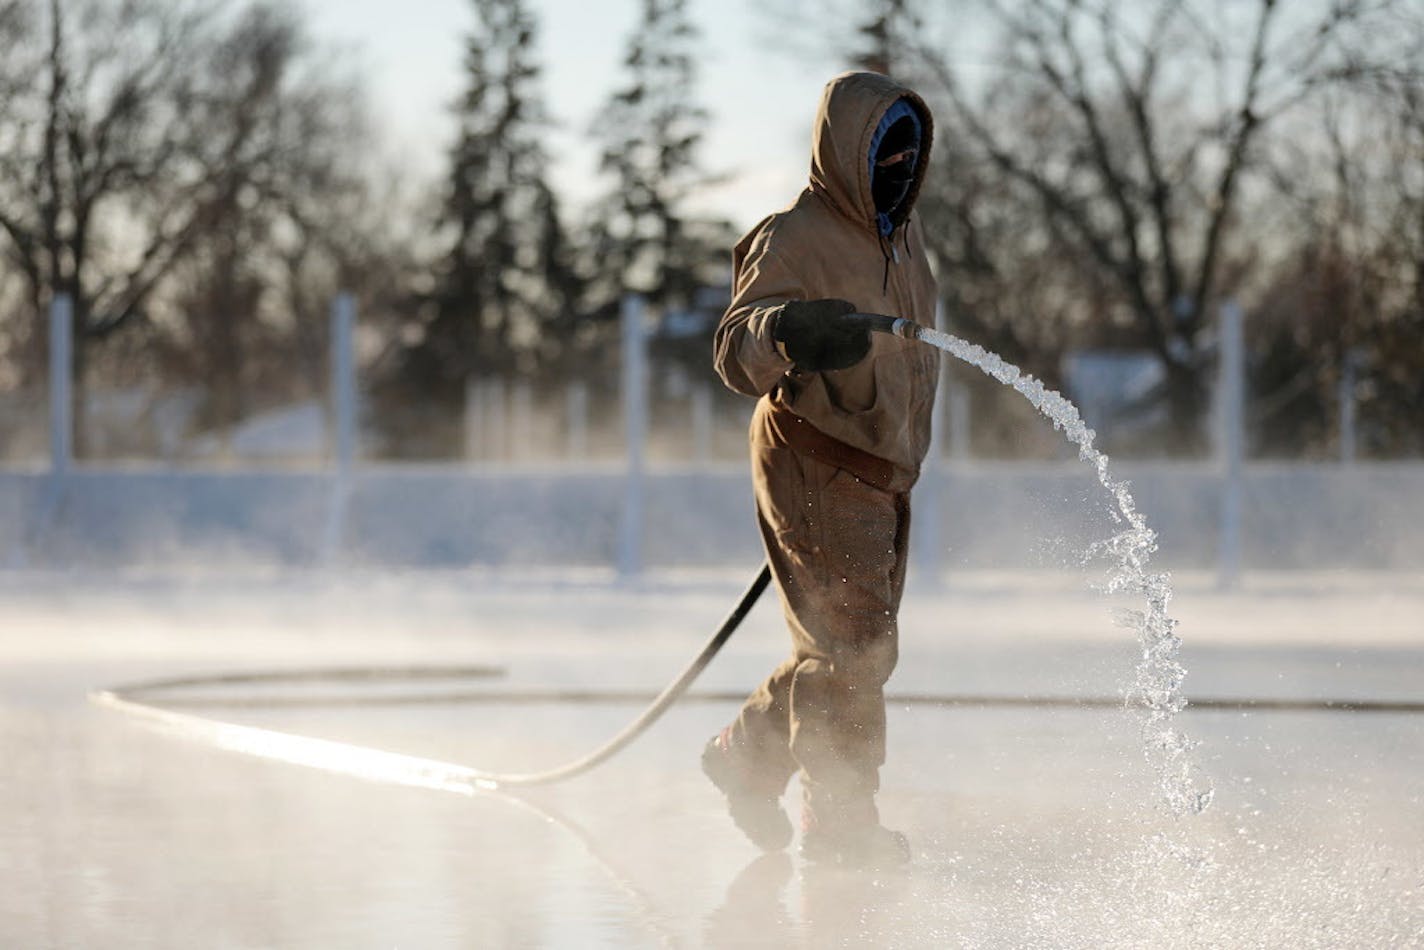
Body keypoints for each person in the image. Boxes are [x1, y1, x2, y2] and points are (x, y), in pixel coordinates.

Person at [704, 70, 938, 867]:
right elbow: (735, 349)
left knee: (846, 646)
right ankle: (839, 820)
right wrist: (789, 330)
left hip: (880, 470)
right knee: (854, 648)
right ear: (845, 150)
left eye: (911, 148)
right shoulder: (793, 235)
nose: (900, 164)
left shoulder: (903, 244)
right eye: (883, 148)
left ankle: (748, 755)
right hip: (814, 456)